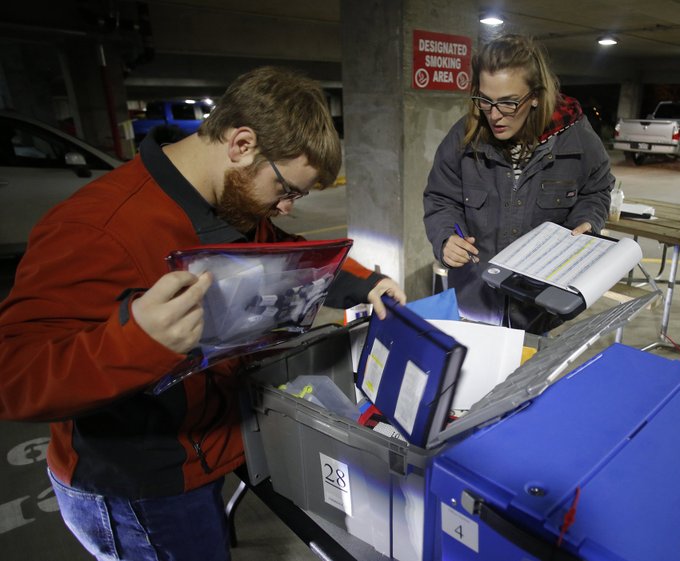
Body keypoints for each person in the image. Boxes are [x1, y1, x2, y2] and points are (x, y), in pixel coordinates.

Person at [0, 66, 405, 561]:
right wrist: (137, 342)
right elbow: (13, 375)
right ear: (241, 144)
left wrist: (366, 283)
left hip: (208, 449)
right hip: (143, 490)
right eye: (286, 190)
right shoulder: (97, 228)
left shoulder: (230, 203)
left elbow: (283, 256)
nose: (286, 208)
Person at [423, 34, 613, 333]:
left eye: (509, 103)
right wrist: (445, 237)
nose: (495, 115)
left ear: (536, 95)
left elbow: (598, 190)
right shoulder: (462, 140)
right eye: (485, 100)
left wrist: (588, 220)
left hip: (543, 313)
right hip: (475, 304)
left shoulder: (578, 141)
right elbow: (440, 198)